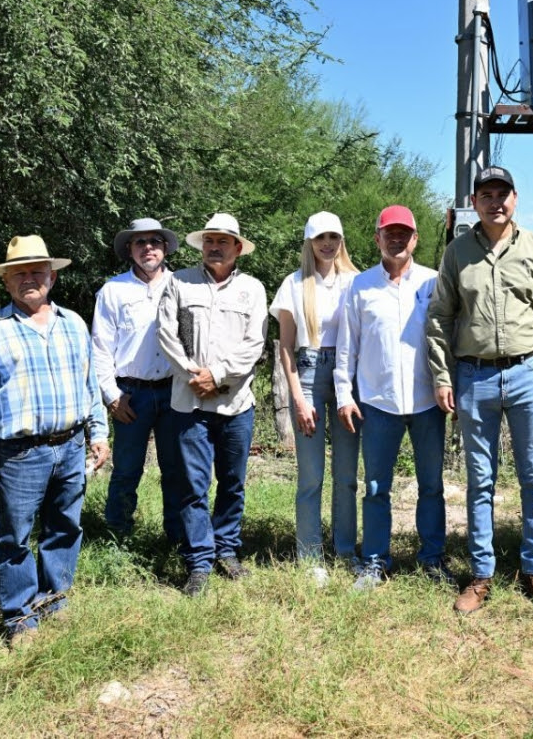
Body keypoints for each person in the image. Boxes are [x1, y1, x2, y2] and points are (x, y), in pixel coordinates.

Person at [427, 165, 533, 614]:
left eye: (503, 193)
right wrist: (442, 375)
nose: (496, 201)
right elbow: (439, 319)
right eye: (486, 194)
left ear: (516, 199)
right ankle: (481, 575)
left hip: (529, 372)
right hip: (474, 378)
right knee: (480, 480)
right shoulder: (457, 253)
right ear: (474, 202)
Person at [0, 235, 110, 646]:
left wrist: (98, 432)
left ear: (52, 277)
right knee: (15, 535)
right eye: (19, 272)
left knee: (65, 526)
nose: (29, 278)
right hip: (20, 453)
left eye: (37, 271)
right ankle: (19, 615)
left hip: (71, 444)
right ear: (6, 281)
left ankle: (54, 600)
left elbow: (89, 385)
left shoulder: (74, 323)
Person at [336, 205, 451, 589]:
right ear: (377, 239)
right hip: (377, 402)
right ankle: (375, 561)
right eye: (390, 232)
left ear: (416, 238)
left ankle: (432, 559)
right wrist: (343, 395)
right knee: (375, 487)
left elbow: (448, 340)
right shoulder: (360, 286)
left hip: (427, 402)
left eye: (405, 232)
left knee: (432, 485)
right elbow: (345, 347)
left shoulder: (434, 283)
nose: (397, 239)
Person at [157, 213, 268, 596]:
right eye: (209, 240)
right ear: (202, 245)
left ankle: (227, 549)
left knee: (233, 483)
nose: (215, 246)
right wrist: (194, 374)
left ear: (238, 248)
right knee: (193, 485)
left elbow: (255, 344)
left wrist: (217, 375)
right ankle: (199, 562)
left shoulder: (253, 289)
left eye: (223, 241)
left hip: (235, 403)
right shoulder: (178, 282)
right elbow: (165, 333)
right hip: (189, 404)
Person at [270, 211, 359, 585]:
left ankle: (345, 549)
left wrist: (352, 391)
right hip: (306, 374)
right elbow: (286, 348)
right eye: (320, 237)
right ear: (309, 242)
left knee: (347, 474)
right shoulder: (294, 284)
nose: (327, 244)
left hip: (345, 376)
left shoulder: (356, 282)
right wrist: (298, 400)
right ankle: (310, 555)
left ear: (341, 241)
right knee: (311, 475)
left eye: (333, 237)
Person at [92, 218, 183, 543]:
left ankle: (177, 537)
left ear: (165, 248)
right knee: (127, 469)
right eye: (140, 242)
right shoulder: (113, 290)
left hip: (175, 392)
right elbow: (100, 349)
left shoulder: (181, 285)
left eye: (154, 242)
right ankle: (118, 537)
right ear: (129, 250)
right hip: (131, 394)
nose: (148, 248)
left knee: (176, 470)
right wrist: (112, 396)